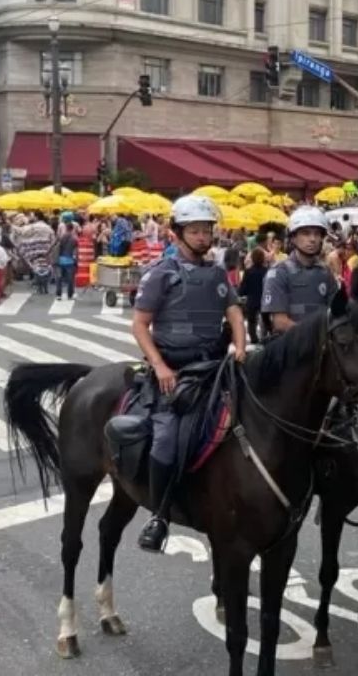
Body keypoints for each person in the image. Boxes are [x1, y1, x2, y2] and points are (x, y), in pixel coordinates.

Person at [132, 195, 247, 552]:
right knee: (167, 439)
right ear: (176, 234)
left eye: (206, 230)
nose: (202, 236)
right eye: (194, 231)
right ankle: (160, 514)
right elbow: (139, 325)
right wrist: (160, 366)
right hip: (174, 370)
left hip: (214, 364)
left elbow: (234, 313)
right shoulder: (160, 273)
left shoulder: (217, 274)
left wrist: (240, 347)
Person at [261, 206, 337, 334]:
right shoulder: (278, 273)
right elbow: (279, 322)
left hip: (322, 347)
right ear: (293, 238)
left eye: (317, 234)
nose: (312, 239)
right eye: (306, 233)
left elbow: (336, 312)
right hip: (288, 347)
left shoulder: (325, 273)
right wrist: (313, 336)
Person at [240, 248, 268, 344]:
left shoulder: (248, 272)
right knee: (266, 320)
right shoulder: (267, 271)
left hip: (252, 299)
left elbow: (243, 288)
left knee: (251, 321)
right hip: (264, 299)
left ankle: (253, 338)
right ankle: (266, 337)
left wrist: (242, 293)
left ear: (252, 258)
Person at [55, 213, 79, 301]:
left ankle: (58, 294)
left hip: (60, 259)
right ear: (72, 228)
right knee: (70, 279)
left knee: (59, 278)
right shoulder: (75, 239)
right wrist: (76, 261)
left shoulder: (62, 237)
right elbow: (76, 251)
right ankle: (70, 294)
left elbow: (57, 247)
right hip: (70, 260)